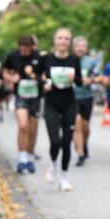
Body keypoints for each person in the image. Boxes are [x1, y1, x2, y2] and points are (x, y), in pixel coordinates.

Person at [39, 27, 82, 191]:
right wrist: (45, 84)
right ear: (54, 40)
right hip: (51, 104)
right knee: (55, 141)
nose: (63, 41)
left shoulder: (74, 59)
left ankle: (64, 177)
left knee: (66, 142)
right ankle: (52, 164)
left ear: (69, 42)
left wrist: (75, 78)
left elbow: (80, 82)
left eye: (66, 39)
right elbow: (37, 76)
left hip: (69, 104)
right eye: (60, 38)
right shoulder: (47, 59)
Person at [4, 35, 43, 174]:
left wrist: (33, 76)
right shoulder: (13, 56)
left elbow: (44, 77)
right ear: (19, 46)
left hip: (35, 97)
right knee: (23, 125)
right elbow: (5, 73)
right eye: (23, 47)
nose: (25, 50)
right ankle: (22, 158)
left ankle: (30, 157)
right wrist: (11, 78)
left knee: (33, 129)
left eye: (28, 48)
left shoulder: (38, 57)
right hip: (21, 96)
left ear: (32, 47)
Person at [72, 36, 101, 166]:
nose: (80, 48)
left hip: (86, 97)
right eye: (78, 46)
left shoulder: (90, 62)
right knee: (76, 124)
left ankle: (84, 144)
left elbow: (98, 77)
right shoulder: (69, 60)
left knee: (85, 127)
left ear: (86, 48)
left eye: (83, 46)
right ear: (74, 48)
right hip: (72, 98)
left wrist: (91, 80)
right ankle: (80, 154)